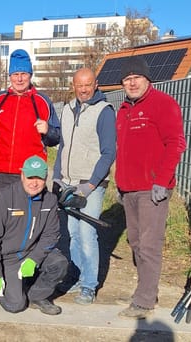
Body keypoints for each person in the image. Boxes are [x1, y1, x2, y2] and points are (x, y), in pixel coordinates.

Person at [115, 56, 186, 319]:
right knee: (135, 242)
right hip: (129, 188)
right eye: (127, 79)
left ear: (148, 79)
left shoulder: (163, 104)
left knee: (149, 244)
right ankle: (146, 290)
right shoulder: (123, 110)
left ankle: (144, 301)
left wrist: (162, 180)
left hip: (152, 189)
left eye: (137, 78)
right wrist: (120, 184)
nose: (132, 83)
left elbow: (176, 143)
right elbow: (124, 151)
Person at [52, 68, 116, 305]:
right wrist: (57, 178)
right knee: (74, 234)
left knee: (88, 235)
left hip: (90, 184)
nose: (84, 89)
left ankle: (89, 285)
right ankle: (78, 277)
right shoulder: (67, 109)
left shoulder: (104, 112)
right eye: (80, 85)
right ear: (73, 85)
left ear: (96, 84)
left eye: (88, 84)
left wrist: (91, 184)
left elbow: (109, 152)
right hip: (68, 182)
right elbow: (62, 147)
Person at [0, 155, 68, 315]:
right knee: (16, 305)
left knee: (59, 263)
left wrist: (34, 259)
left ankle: (37, 295)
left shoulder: (50, 200)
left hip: (32, 253)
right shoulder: (5, 197)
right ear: (22, 175)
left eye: (39, 178)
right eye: (30, 177)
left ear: (45, 178)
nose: (34, 183)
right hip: (9, 258)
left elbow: (51, 234)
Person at [0, 49, 60, 193]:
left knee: (30, 215)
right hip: (3, 174)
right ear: (10, 76)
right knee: (5, 215)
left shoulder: (42, 102)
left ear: (30, 75)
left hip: (33, 172)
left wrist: (48, 130)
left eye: (23, 74)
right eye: (15, 74)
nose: (19, 79)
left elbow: (56, 137)